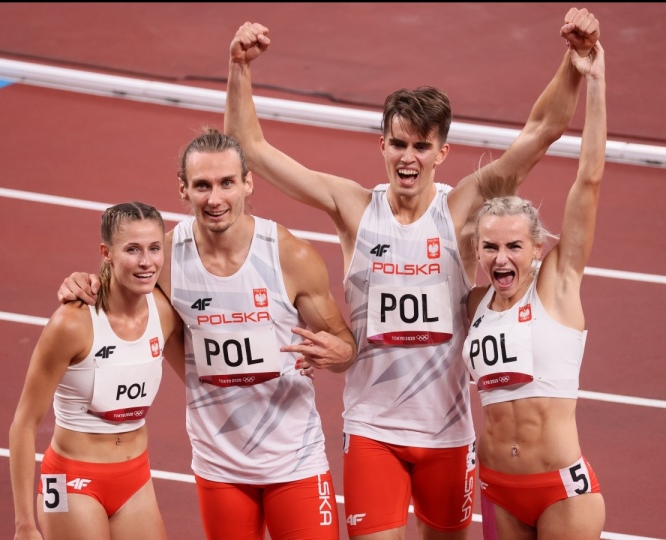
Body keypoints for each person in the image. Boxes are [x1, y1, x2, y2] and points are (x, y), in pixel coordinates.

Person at [224, 8, 600, 539]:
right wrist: (239, 69)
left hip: (447, 435)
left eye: (422, 147)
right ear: (382, 145)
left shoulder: (462, 209)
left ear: (442, 152)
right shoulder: (353, 207)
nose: (408, 158)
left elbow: (542, 131)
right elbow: (253, 150)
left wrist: (573, 61)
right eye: (398, 144)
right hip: (373, 430)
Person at [56, 128, 357, 539]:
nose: (215, 199)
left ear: (248, 183)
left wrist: (338, 355)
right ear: (183, 189)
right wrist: (78, 281)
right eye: (202, 186)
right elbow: (109, 288)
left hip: (295, 459)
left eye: (226, 183)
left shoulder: (289, 255)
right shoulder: (164, 259)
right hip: (220, 465)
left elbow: (345, 345)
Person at [463, 40, 607, 539]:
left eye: (514, 247)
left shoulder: (557, 286)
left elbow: (588, 179)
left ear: (538, 247)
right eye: (490, 248)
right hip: (497, 488)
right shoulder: (474, 304)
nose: (501, 259)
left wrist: (596, 82)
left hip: (560, 493)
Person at [9, 201, 184, 540]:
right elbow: (24, 423)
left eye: (153, 249)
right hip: (73, 481)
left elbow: (203, 370)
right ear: (107, 252)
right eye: (132, 249)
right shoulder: (72, 324)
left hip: (136, 478)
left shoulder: (164, 312)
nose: (146, 262)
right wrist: (24, 525)